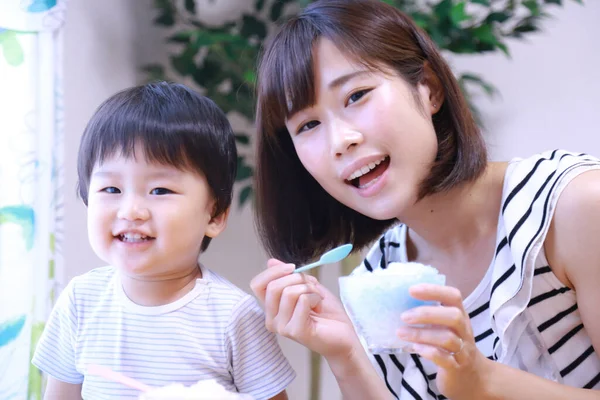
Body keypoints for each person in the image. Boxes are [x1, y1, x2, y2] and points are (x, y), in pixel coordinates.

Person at [249, 0, 600, 399]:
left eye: (356, 95)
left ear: (429, 88)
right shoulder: (379, 276)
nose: (340, 141)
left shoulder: (574, 207)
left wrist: (484, 383)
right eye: (308, 124)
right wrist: (346, 355)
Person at [32, 82, 295, 400]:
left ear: (214, 216)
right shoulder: (80, 302)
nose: (131, 210)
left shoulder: (234, 317)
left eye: (160, 190)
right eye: (111, 190)